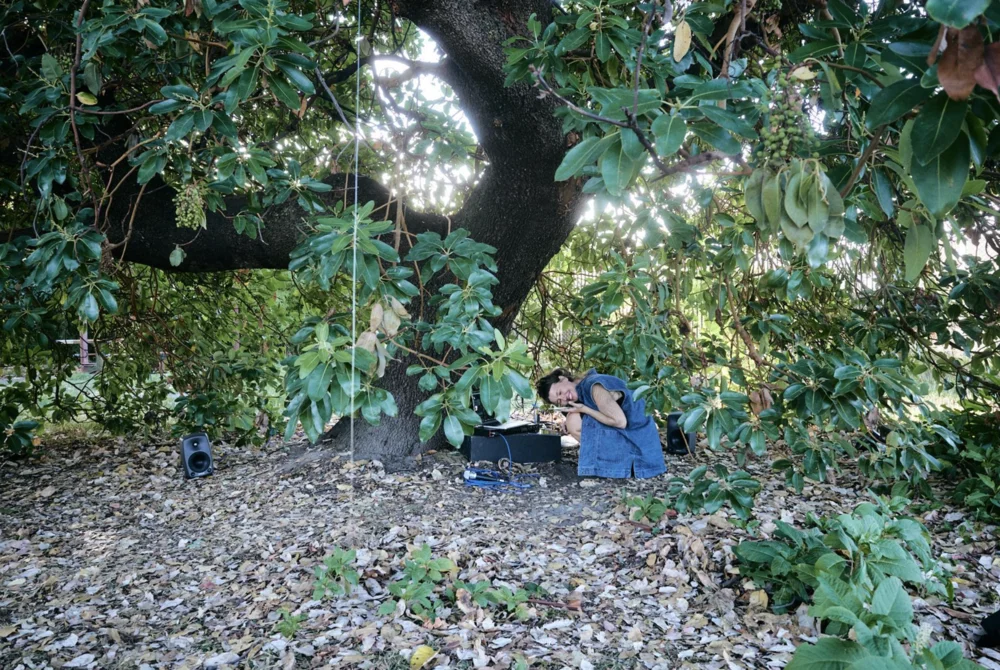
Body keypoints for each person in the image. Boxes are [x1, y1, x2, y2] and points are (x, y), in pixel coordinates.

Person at [535, 368, 666, 479]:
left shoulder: (592, 386)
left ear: (563, 379)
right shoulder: (585, 385)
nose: (564, 398)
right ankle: (608, 462)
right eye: (559, 401)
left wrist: (584, 410)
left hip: (640, 453)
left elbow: (620, 421)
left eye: (560, 392)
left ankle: (609, 464)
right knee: (572, 417)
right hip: (641, 446)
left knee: (573, 420)